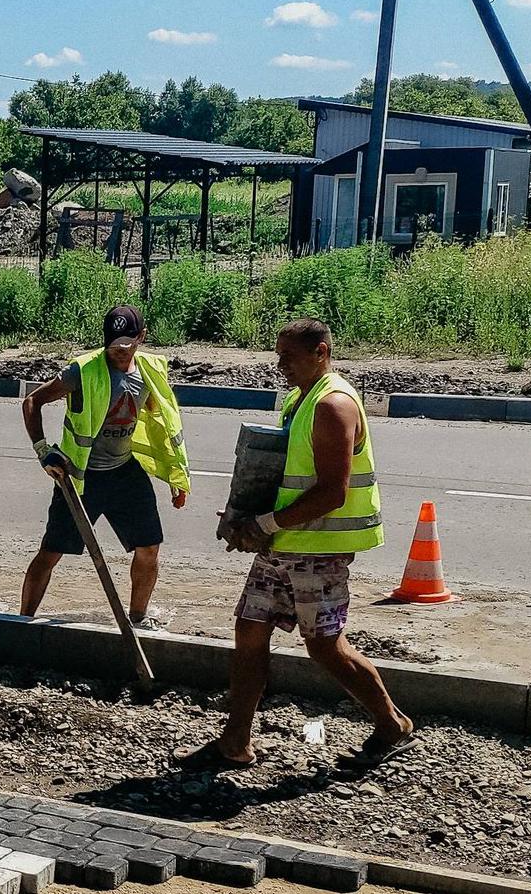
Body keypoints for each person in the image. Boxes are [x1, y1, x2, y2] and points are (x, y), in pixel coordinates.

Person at [184, 318, 417, 771]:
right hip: (283, 544)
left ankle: (393, 724)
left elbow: (333, 492)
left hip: (318, 551)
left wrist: (265, 523)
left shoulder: (333, 405)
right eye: (278, 355)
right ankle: (235, 742)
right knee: (249, 633)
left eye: (288, 356)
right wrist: (243, 516)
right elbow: (285, 475)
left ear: (321, 353)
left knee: (325, 647)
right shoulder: (301, 399)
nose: (280, 365)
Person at [20, 305, 190, 628]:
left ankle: (138, 618)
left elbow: (161, 425)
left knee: (149, 547)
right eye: (113, 346)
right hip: (81, 478)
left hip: (125, 473)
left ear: (141, 337)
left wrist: (174, 477)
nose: (119, 352)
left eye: (126, 345)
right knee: (50, 554)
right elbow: (32, 402)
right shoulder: (82, 371)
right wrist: (44, 451)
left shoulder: (150, 371)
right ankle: (21, 623)